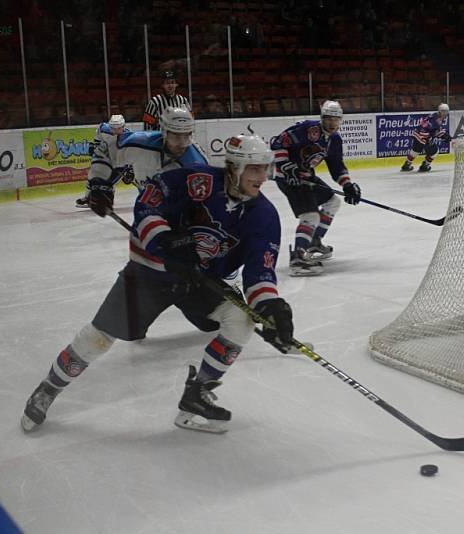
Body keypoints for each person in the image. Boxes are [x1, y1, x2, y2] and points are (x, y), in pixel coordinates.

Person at [21, 134, 294, 434]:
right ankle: (49, 388)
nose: (263, 177)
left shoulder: (264, 216)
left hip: (199, 280)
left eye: (265, 168)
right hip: (151, 272)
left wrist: (270, 307)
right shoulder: (197, 181)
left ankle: (197, 393)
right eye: (254, 169)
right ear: (235, 167)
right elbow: (150, 199)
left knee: (240, 319)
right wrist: (165, 241)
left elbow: (260, 273)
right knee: (98, 337)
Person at [269, 100, 362, 276]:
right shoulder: (308, 129)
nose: (332, 123)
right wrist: (287, 167)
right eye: (328, 119)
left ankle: (314, 241)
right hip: (289, 178)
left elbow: (336, 166)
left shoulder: (334, 140)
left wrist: (347, 184)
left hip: (306, 176)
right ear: (322, 118)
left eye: (336, 120)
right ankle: (298, 258)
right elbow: (278, 143)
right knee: (310, 215)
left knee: (333, 202)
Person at [82, 107, 209, 216]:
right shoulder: (141, 143)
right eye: (176, 136)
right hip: (147, 210)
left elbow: (204, 206)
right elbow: (104, 151)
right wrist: (99, 182)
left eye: (186, 135)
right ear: (164, 132)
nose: (182, 143)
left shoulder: (197, 165)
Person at [76, 114, 130, 208]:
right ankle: (87, 198)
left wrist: (129, 170)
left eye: (118, 129)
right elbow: (97, 140)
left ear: (123, 126)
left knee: (109, 183)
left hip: (120, 163)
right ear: (109, 126)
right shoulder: (103, 128)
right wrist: (94, 147)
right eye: (113, 128)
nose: (116, 131)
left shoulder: (129, 137)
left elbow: (131, 155)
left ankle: (108, 201)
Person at [401, 103, 451, 173]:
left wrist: (443, 135)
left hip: (417, 134)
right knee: (435, 152)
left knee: (416, 150)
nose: (445, 113)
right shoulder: (437, 120)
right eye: (443, 111)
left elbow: (434, 130)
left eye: (446, 111)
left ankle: (407, 164)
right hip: (423, 136)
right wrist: (443, 136)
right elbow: (434, 132)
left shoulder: (434, 115)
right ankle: (425, 166)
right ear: (439, 111)